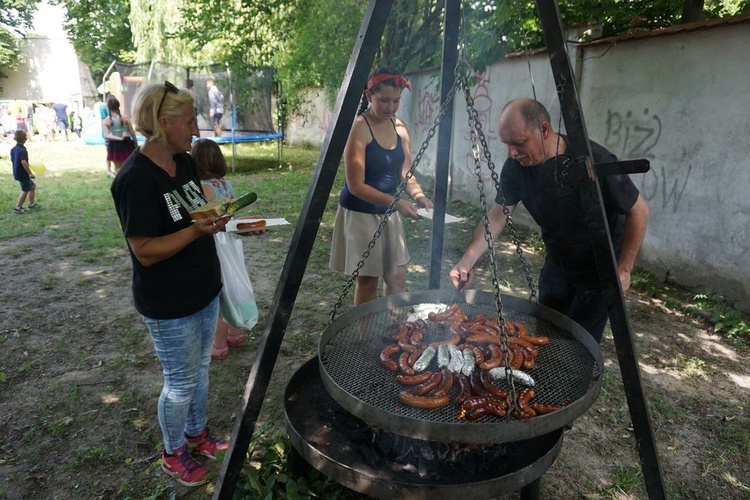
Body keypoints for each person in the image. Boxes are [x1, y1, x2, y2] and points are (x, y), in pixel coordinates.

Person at [450, 98, 649, 343]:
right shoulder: (516, 166)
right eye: (507, 144)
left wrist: (624, 269)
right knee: (545, 329)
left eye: (519, 143)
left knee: (578, 345)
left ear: (544, 130)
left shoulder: (593, 160)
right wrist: (466, 261)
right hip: (559, 260)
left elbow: (638, 211)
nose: (512, 153)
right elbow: (497, 215)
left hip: (600, 269)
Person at [110, 81, 230, 487]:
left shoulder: (186, 163)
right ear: (164, 123)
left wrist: (231, 223)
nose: (196, 130)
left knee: (199, 371)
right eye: (190, 121)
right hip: (168, 301)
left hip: (203, 286)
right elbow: (144, 249)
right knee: (179, 383)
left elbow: (197, 213)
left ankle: (198, 434)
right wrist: (197, 233)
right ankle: (173, 450)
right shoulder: (135, 179)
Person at [329, 67, 433, 305]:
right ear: (369, 96)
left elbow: (404, 172)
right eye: (384, 100)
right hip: (361, 212)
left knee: (397, 276)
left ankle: (391, 329)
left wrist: (418, 196)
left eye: (396, 101)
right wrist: (397, 204)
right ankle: (365, 334)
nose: (391, 107)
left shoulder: (400, 127)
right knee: (368, 280)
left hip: (389, 210)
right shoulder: (359, 128)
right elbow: (356, 186)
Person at [191, 138, 255, 360]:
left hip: (214, 244)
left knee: (219, 295)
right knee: (232, 288)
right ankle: (235, 335)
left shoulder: (203, 188)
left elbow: (204, 219)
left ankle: (218, 345)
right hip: (229, 243)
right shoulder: (225, 185)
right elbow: (232, 215)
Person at [103, 96, 138, 173]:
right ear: (118, 105)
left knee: (117, 168)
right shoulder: (126, 118)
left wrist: (119, 138)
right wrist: (136, 144)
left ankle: (119, 183)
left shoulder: (106, 121)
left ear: (108, 107)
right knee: (129, 165)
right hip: (127, 143)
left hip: (115, 145)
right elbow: (132, 133)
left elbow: (106, 136)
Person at [10, 130, 39, 214]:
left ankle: (31, 204)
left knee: (32, 186)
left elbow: (13, 160)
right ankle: (18, 207)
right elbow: (23, 162)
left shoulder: (13, 149)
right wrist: (30, 173)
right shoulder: (22, 150)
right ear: (26, 139)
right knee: (25, 190)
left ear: (14, 138)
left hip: (17, 172)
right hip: (23, 174)